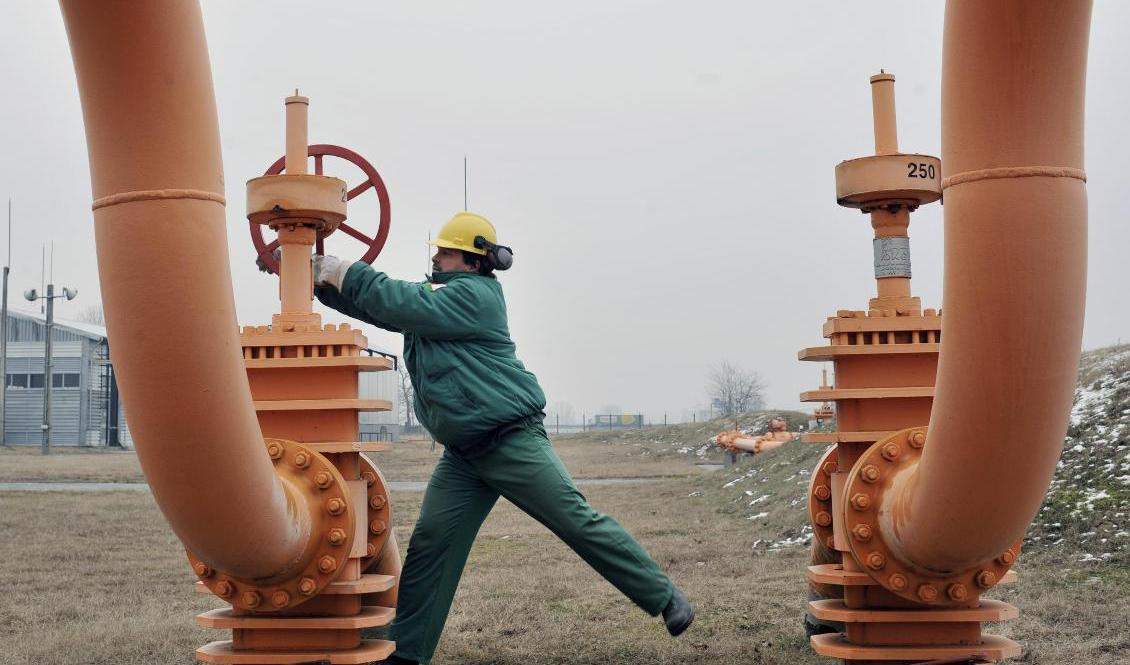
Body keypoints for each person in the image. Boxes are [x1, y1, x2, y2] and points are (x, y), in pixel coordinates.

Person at [306, 211, 694, 664]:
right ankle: (407, 655)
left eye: (446, 252)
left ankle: (664, 597)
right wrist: (311, 281)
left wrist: (346, 271)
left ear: (474, 261)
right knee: (433, 545)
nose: (436, 258)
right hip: (464, 456)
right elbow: (381, 306)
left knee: (575, 519)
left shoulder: (475, 296)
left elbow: (398, 300)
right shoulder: (435, 303)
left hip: (511, 441)